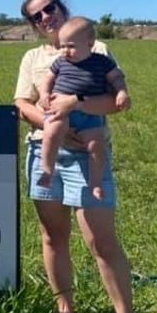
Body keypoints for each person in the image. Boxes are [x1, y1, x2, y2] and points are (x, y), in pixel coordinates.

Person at [13, 0, 144, 313]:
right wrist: (52, 121)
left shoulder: (97, 49)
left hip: (89, 155)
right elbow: (22, 103)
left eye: (49, 8)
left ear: (61, 7)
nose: (45, 17)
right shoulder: (33, 58)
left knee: (101, 241)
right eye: (36, 16)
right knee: (53, 236)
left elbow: (118, 101)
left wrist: (77, 105)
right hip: (45, 150)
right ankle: (65, 312)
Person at [36, 16, 131, 198]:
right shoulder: (61, 62)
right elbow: (47, 78)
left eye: (71, 46)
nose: (65, 51)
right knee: (51, 132)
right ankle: (47, 171)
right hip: (59, 110)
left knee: (97, 146)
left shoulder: (102, 61)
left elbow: (117, 78)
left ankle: (95, 184)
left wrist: (121, 92)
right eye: (62, 46)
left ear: (90, 43)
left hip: (89, 113)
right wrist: (44, 94)